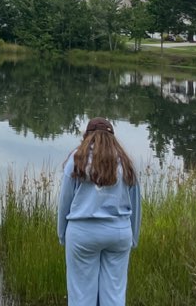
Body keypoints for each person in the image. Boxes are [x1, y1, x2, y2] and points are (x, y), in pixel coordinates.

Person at [57, 117, 141, 306]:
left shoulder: (76, 159)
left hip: (82, 234)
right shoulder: (126, 163)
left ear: (87, 136)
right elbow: (135, 205)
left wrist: (62, 235)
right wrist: (133, 238)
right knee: (114, 297)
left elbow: (65, 201)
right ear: (113, 138)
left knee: (81, 296)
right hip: (119, 234)